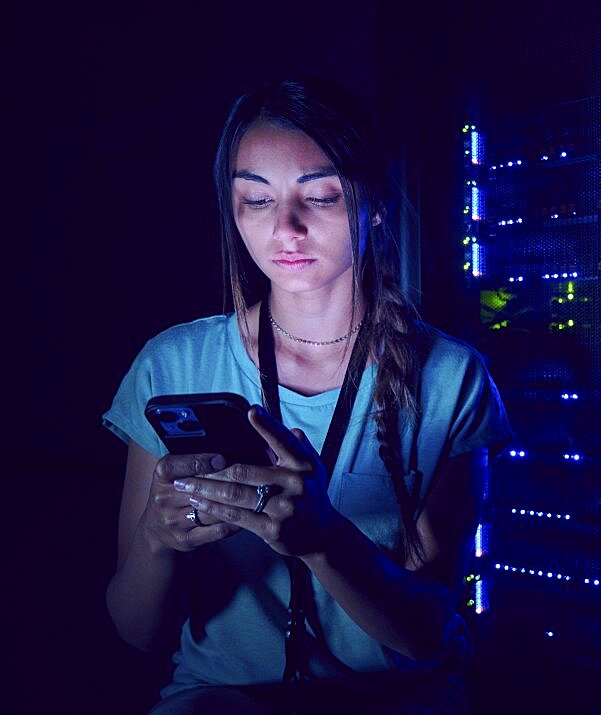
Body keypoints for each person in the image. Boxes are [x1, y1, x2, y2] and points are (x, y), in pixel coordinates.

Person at [102, 77, 513, 714]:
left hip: (395, 698)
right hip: (222, 696)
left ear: (373, 203)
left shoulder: (449, 378)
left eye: (319, 196)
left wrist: (324, 538)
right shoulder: (173, 362)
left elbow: (427, 632)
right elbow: (137, 631)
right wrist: (157, 540)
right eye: (256, 200)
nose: (285, 227)